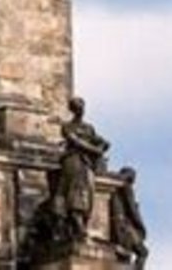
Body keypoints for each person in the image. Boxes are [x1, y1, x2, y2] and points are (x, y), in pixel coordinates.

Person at [54, 96, 110, 240]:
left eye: (82, 106)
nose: (81, 109)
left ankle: (81, 222)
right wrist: (95, 150)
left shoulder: (88, 128)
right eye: (77, 106)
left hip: (87, 162)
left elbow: (104, 142)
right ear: (73, 109)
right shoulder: (67, 126)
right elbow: (76, 142)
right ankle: (76, 222)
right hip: (73, 160)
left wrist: (101, 147)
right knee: (76, 189)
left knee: (89, 191)